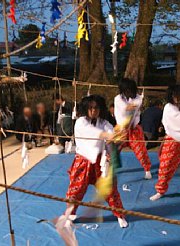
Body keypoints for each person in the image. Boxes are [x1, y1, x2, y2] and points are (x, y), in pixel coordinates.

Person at [64, 95, 128, 228]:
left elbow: (110, 131)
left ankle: (119, 215)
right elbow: (92, 132)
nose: (94, 111)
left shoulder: (104, 123)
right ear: (86, 109)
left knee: (111, 190)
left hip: (101, 162)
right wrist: (107, 135)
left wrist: (117, 136)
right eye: (91, 108)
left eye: (96, 108)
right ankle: (69, 215)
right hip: (83, 161)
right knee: (75, 191)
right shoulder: (81, 122)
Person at [114, 78, 152, 179]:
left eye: (130, 90)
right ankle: (107, 168)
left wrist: (131, 106)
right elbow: (124, 108)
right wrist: (129, 107)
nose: (128, 92)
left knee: (141, 150)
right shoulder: (118, 99)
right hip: (121, 129)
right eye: (126, 90)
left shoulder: (139, 98)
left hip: (134, 129)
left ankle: (147, 170)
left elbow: (134, 106)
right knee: (112, 149)